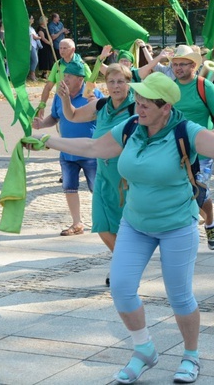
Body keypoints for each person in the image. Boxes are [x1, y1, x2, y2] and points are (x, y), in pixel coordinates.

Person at [31, 72, 214, 384]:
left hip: (177, 225)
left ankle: (191, 355)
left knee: (180, 296)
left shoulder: (186, 131)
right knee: (120, 288)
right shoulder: (131, 127)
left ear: (165, 108)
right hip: (135, 223)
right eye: (139, 100)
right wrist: (47, 140)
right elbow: (93, 147)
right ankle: (143, 349)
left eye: (146, 102)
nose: (139, 105)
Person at [56, 63, 135, 282]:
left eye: (121, 81)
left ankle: (123, 268)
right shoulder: (100, 105)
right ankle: (125, 264)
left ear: (129, 83)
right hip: (103, 174)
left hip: (126, 177)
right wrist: (64, 98)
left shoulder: (136, 107)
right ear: (106, 84)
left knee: (125, 227)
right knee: (102, 226)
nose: (116, 86)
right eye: (112, 82)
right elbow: (71, 115)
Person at [171, 44, 214, 250]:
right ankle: (185, 233)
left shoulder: (205, 87)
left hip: (202, 150)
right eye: (175, 65)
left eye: (183, 64)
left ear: (194, 65)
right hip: (174, 150)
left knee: (199, 192)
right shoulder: (169, 88)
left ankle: (209, 223)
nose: (178, 68)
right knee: (180, 192)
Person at [33, 61, 97, 236]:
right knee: (69, 187)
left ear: (80, 78)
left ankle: (102, 220)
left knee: (97, 188)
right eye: (64, 75)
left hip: (90, 150)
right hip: (67, 151)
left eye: (69, 76)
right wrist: (41, 125)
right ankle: (77, 223)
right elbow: (55, 117)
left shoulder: (92, 94)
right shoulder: (60, 95)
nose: (65, 79)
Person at [35, 39, 92, 119]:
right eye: (60, 48)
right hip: (61, 101)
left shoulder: (81, 65)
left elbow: (91, 85)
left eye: (65, 48)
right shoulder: (57, 64)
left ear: (73, 49)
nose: (61, 50)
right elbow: (48, 87)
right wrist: (42, 105)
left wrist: (89, 103)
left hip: (78, 104)